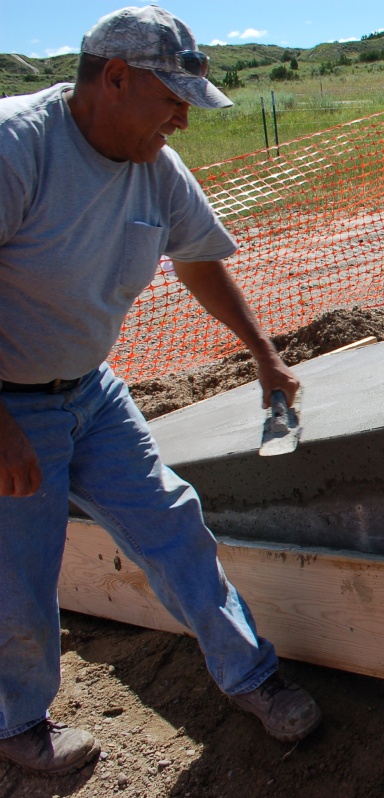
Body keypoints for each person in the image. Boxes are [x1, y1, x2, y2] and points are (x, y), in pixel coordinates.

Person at [0, 6, 321, 775]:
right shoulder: (17, 148)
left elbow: (200, 260)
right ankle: (17, 725)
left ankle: (251, 676)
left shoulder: (154, 166)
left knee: (174, 524)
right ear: (114, 79)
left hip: (91, 392)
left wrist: (265, 356)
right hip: (11, 402)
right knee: (20, 576)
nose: (183, 117)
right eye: (172, 97)